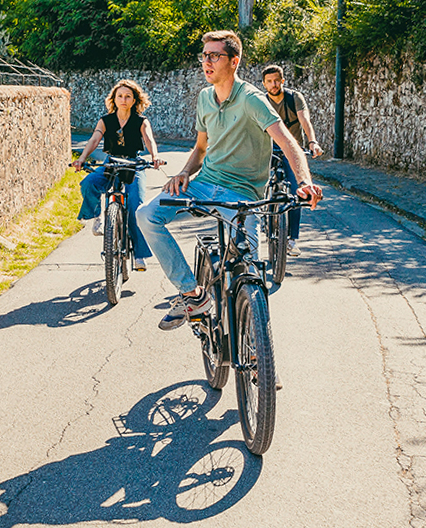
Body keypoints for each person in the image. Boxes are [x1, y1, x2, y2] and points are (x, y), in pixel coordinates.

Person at [137, 31, 323, 330]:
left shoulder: (252, 100)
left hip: (243, 196)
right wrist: (184, 173)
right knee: (146, 215)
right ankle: (192, 293)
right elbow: (200, 149)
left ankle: (260, 357)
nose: (206, 62)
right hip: (202, 184)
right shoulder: (204, 98)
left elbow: (288, 142)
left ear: (233, 61)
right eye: (204, 56)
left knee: (250, 273)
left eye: (214, 56)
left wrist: (304, 182)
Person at [71, 79, 164, 271]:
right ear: (114, 98)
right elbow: (95, 139)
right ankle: (97, 216)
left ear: (134, 100)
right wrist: (81, 159)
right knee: (88, 183)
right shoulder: (106, 120)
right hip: (111, 162)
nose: (123, 99)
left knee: (136, 207)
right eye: (120, 96)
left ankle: (139, 255)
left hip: (133, 164)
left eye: (128, 96)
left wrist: (155, 157)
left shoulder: (141, 121)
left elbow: (149, 139)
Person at [259, 64, 323, 254]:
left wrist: (312, 142)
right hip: (268, 148)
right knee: (257, 180)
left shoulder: (294, 98)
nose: (274, 84)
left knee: (297, 192)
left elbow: (305, 121)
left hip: (292, 150)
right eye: (269, 81)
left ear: (283, 81)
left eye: (277, 80)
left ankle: (292, 239)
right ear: (264, 84)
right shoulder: (261, 101)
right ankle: (264, 214)